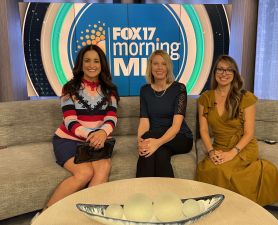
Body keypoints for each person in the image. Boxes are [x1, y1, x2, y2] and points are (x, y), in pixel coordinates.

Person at [197, 55, 278, 206]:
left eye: (228, 70)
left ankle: (236, 208)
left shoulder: (245, 97)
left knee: (223, 170)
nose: (224, 73)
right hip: (219, 146)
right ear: (214, 73)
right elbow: (203, 130)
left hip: (242, 146)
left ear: (235, 74)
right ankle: (214, 207)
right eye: (220, 69)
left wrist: (232, 153)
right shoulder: (205, 98)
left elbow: (249, 133)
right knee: (206, 169)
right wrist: (211, 152)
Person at [45, 45, 119, 210]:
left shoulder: (110, 90)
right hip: (68, 140)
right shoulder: (69, 89)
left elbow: (111, 117)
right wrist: (94, 135)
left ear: (102, 65)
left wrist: (102, 132)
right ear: (81, 63)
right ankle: (44, 215)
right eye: (87, 60)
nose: (91, 65)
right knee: (85, 173)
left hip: (98, 139)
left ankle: (88, 216)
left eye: (96, 61)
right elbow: (70, 122)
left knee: (104, 167)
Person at [136, 50, 193, 177]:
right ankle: (166, 195)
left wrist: (156, 142)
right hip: (155, 137)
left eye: (164, 63)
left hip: (180, 137)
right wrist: (140, 141)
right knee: (160, 154)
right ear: (151, 67)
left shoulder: (179, 88)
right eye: (156, 64)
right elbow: (144, 121)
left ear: (168, 67)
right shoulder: (145, 90)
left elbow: (176, 126)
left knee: (150, 140)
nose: (160, 67)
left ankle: (140, 191)